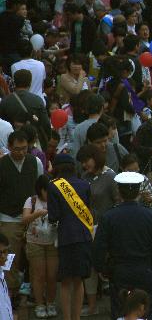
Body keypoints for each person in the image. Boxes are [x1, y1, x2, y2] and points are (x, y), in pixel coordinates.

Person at [93, 172, 152, 320]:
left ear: (119, 190)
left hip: (119, 271)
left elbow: (99, 247)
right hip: (145, 270)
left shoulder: (109, 216)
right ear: (139, 191)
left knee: (121, 311)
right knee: (148, 311)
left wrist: (103, 269)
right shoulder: (151, 215)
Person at [47, 154, 93, 320]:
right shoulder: (84, 184)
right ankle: (77, 317)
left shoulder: (53, 186)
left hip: (66, 237)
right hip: (83, 236)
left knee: (65, 282)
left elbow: (53, 216)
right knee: (79, 280)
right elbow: (88, 209)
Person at [0, 130, 43, 297]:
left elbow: (40, 186)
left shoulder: (35, 162)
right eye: (17, 149)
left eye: (24, 148)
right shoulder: (2, 165)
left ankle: (35, 290)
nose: (21, 152)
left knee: (34, 258)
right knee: (10, 257)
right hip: (8, 217)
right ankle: (11, 291)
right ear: (9, 147)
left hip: (32, 216)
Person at [22, 175, 58, 319]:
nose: (49, 194)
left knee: (52, 276)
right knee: (38, 276)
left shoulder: (56, 200)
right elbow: (24, 219)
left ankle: (51, 303)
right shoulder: (32, 200)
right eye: (47, 191)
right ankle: (39, 304)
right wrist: (37, 214)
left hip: (52, 242)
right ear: (41, 189)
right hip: (34, 242)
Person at [0, 69, 51, 149]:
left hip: (13, 144)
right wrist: (47, 140)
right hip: (33, 143)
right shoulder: (37, 100)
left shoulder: (5, 101)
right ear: (30, 82)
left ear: (14, 82)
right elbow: (46, 124)